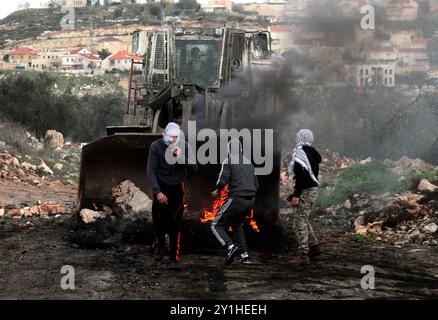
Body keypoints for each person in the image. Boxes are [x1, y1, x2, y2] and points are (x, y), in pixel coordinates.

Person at [147, 122, 198, 263]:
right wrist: (157, 191)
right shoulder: (156, 146)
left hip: (176, 188)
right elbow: (150, 170)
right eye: (171, 137)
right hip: (161, 187)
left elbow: (194, 168)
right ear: (165, 135)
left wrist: (180, 157)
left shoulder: (184, 146)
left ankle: (174, 254)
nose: (173, 140)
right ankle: (160, 245)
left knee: (175, 222)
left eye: (176, 137)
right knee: (158, 220)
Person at [210, 139, 258, 265]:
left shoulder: (229, 161)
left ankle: (231, 247)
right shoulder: (249, 163)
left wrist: (217, 191)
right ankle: (245, 256)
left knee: (216, 225)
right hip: (250, 200)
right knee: (237, 225)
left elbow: (222, 180)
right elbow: (256, 184)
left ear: (229, 150)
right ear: (241, 149)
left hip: (237, 198)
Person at [287, 129, 322, 265]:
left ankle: (303, 255)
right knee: (303, 218)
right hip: (311, 191)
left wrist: (296, 195)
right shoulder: (312, 153)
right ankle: (314, 247)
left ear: (299, 138)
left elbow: (302, 176)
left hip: (306, 191)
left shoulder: (301, 154)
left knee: (299, 221)